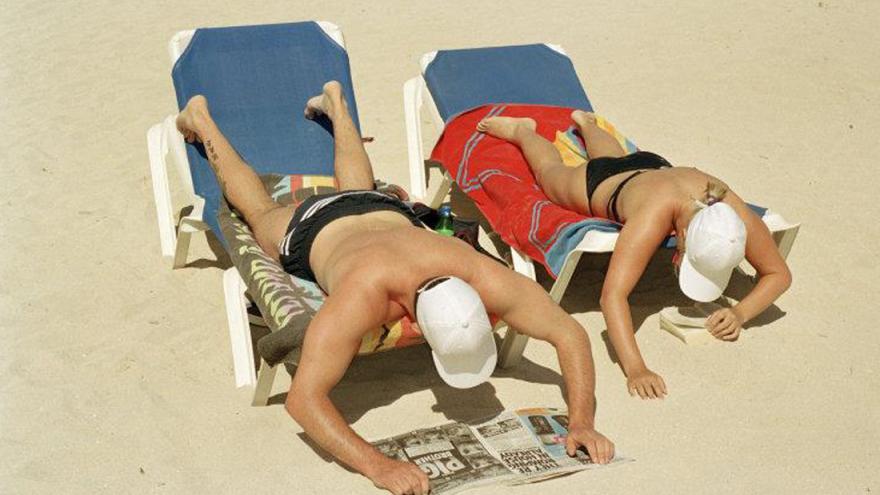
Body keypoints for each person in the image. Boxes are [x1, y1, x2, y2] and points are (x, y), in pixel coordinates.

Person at [175, 81, 615, 495]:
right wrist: (378, 466)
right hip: (318, 226)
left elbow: (569, 335)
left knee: (357, 190)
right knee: (259, 212)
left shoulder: (470, 272)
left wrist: (581, 421)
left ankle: (334, 103)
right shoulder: (371, 294)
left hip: (378, 207)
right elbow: (303, 400)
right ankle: (203, 120)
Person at [476, 112, 792, 401]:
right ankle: (523, 131)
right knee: (549, 172)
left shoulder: (720, 198)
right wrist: (636, 367)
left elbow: (779, 275)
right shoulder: (652, 218)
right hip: (601, 182)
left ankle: (586, 125)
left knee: (616, 158)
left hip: (652, 166)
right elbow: (612, 296)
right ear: (681, 236)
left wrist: (740, 314)